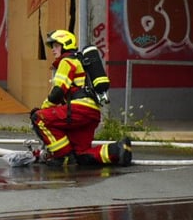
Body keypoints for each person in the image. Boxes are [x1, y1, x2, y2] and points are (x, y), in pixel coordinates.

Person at [30, 29, 132, 167]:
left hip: (79, 110)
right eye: (52, 47)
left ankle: (63, 156)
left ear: (65, 45)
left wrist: (43, 109)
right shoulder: (80, 62)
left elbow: (58, 92)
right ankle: (117, 150)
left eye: (56, 46)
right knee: (81, 154)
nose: (53, 50)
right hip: (91, 113)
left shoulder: (66, 61)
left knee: (39, 118)